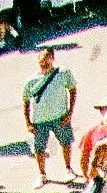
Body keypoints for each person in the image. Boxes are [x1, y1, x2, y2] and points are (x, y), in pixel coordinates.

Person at [23, 50, 77, 184]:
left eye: (47, 63)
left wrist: (69, 113)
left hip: (60, 116)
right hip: (40, 121)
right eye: (42, 64)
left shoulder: (63, 73)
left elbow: (72, 90)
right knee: (39, 148)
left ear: (52, 59)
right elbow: (25, 102)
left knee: (66, 142)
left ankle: (68, 169)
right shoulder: (31, 81)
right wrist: (28, 122)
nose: (44, 67)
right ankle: (42, 174)